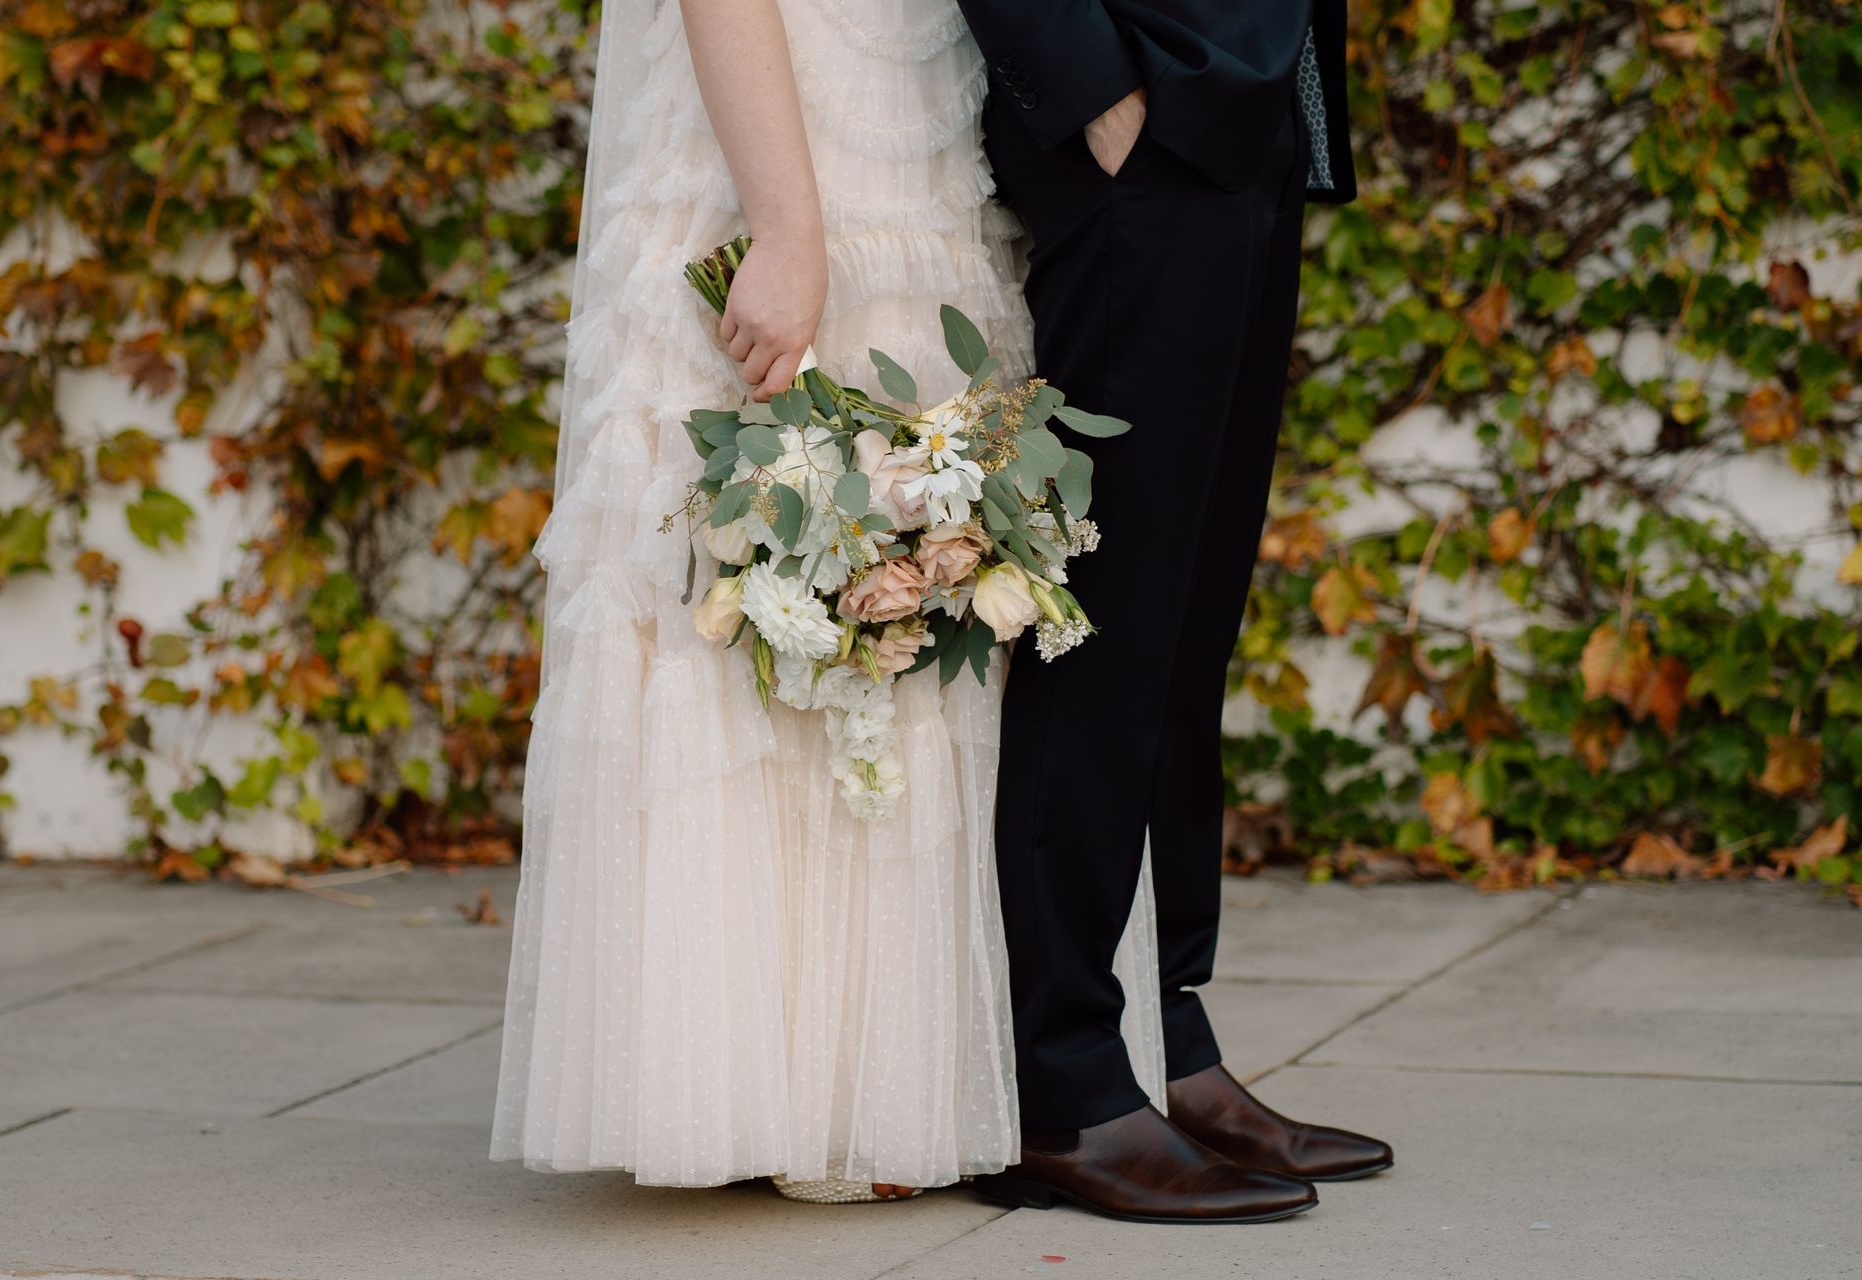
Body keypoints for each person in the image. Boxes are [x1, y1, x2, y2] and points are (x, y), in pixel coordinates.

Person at [489, 0, 1170, 1204]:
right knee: (771, 531)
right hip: (786, 120)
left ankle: (883, 1077)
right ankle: (762, 1076)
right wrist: (785, 223)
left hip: (907, 111)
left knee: (918, 549)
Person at [950, 0, 1394, 1224]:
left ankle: (1168, 1033)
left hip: (1243, 116)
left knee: (1191, 634)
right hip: (1139, 112)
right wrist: (1098, 95)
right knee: (1106, 625)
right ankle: (1070, 1081)